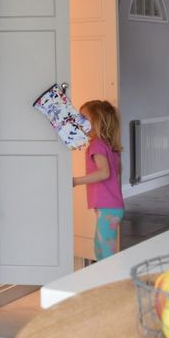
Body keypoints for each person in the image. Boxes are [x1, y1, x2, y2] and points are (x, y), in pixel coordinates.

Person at [73, 100, 124, 261]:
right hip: (110, 206)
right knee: (100, 248)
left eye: (83, 118)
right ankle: (105, 279)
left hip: (108, 207)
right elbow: (114, 172)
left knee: (105, 252)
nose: (79, 121)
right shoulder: (107, 145)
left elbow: (104, 173)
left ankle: (110, 282)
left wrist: (75, 181)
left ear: (97, 122)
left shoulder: (97, 146)